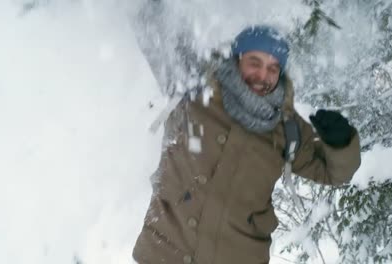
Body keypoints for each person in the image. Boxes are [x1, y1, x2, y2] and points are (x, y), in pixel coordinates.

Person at [133, 25, 361, 264]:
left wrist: (341, 142)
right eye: (255, 62)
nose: (263, 76)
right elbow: (155, 27)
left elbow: (334, 172)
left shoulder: (286, 127)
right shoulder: (197, 88)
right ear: (237, 58)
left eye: (273, 68)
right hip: (163, 254)